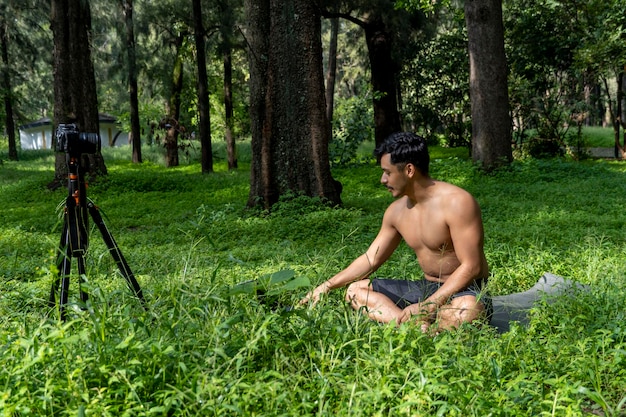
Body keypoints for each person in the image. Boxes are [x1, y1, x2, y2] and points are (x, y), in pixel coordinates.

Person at [300, 132, 491, 332]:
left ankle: (430, 324)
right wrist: (326, 286)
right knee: (355, 291)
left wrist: (429, 305)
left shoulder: (458, 202)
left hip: (465, 289)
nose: (383, 180)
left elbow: (472, 266)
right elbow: (370, 259)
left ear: (409, 170)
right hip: (425, 288)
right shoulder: (396, 212)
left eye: (387, 172)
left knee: (468, 310)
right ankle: (412, 325)